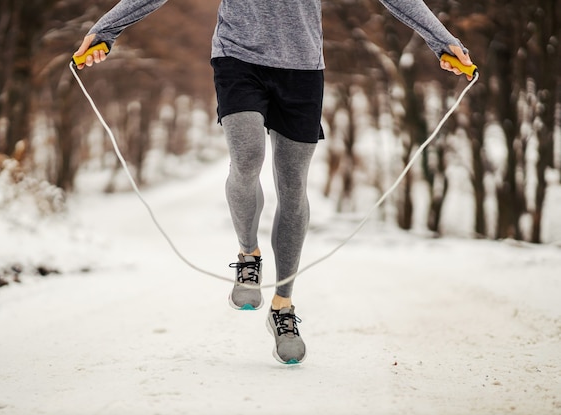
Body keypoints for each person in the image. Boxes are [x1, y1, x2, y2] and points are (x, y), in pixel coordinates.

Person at [74, 0, 473, 365]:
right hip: (237, 59)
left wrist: (443, 41)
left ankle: (283, 305)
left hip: (302, 71)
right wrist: (106, 31)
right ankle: (249, 256)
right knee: (246, 159)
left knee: (293, 186)